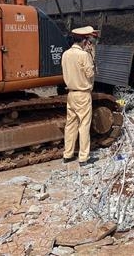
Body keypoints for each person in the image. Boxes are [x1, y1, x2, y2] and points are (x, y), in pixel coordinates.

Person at [61, 26, 98, 166]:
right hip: (83, 94)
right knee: (84, 125)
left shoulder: (66, 54)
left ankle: (68, 154)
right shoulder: (83, 55)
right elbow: (90, 74)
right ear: (84, 41)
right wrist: (91, 56)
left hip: (71, 94)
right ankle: (84, 157)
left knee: (70, 125)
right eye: (88, 40)